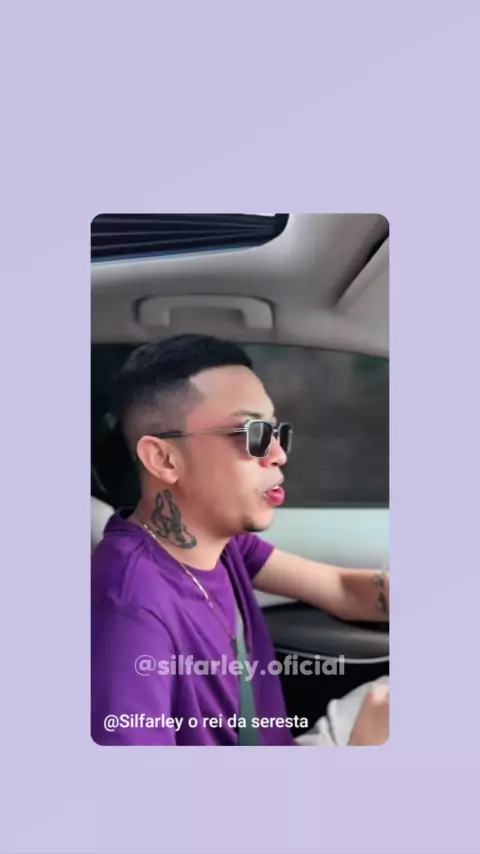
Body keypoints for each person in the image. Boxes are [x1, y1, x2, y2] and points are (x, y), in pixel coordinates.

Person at [91, 334, 389, 746]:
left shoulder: (223, 545)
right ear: (164, 459)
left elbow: (342, 590)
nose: (279, 454)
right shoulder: (128, 608)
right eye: (253, 432)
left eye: (276, 431)